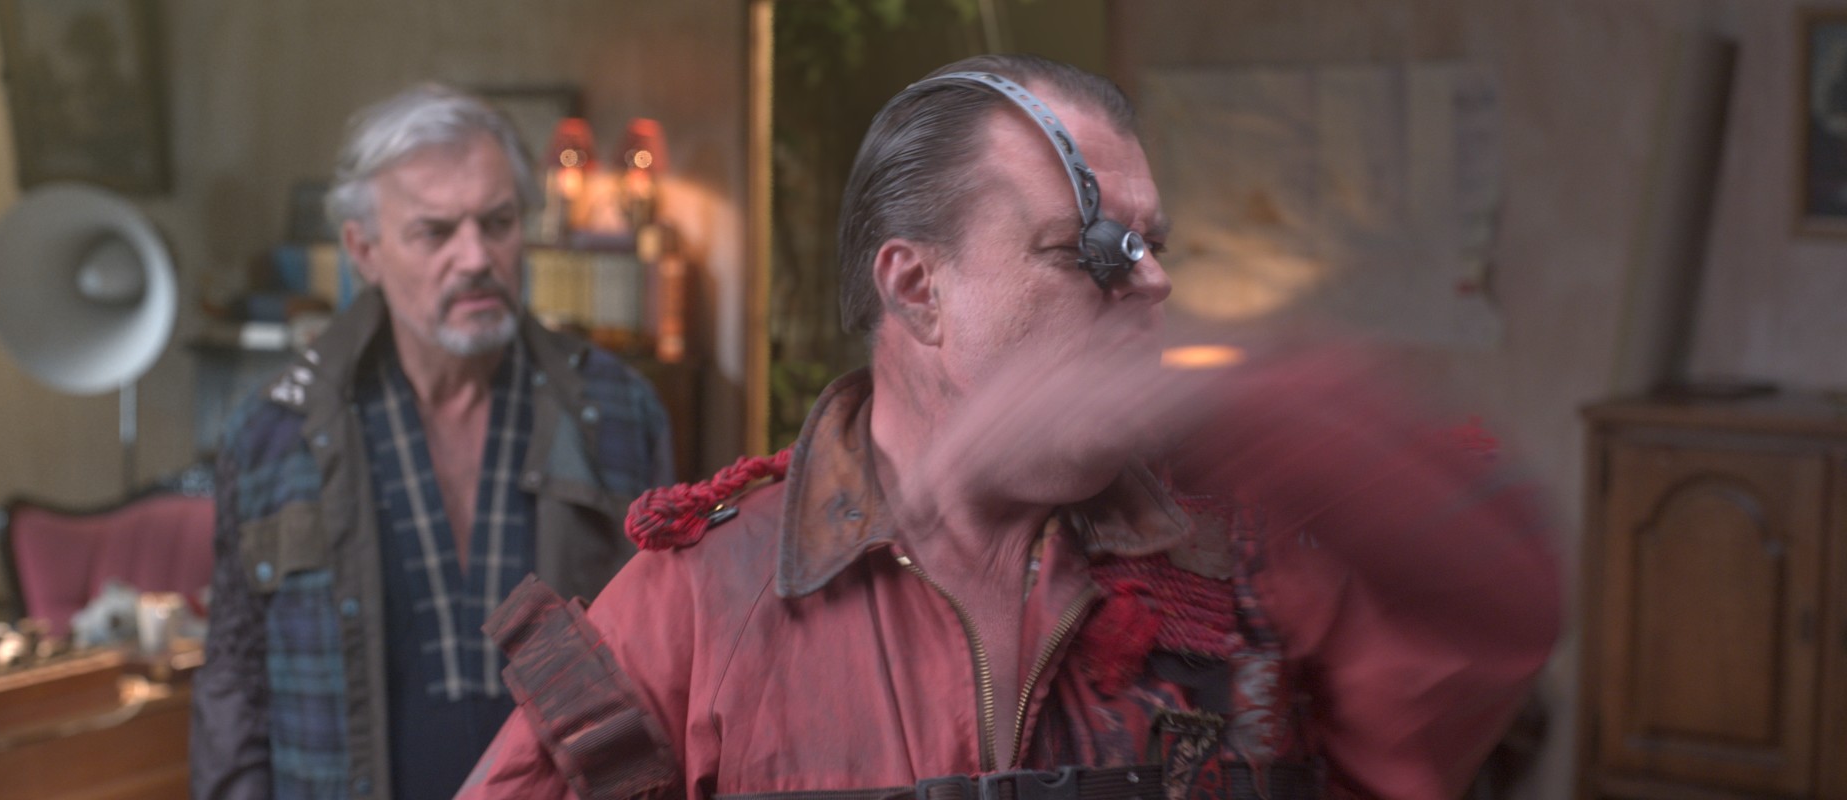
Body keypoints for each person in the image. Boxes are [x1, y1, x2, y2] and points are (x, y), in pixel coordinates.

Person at [460, 54, 1560, 800]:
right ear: (918, 288)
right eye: (1088, 250)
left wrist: (1234, 402)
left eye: (1154, 245)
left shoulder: (1246, 559)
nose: (1153, 282)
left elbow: (1499, 603)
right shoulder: (709, 596)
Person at [191, 84, 676, 800]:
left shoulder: (618, 411)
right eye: (435, 232)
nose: (475, 256)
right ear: (364, 250)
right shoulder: (274, 435)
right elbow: (234, 682)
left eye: (498, 223)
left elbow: (671, 663)